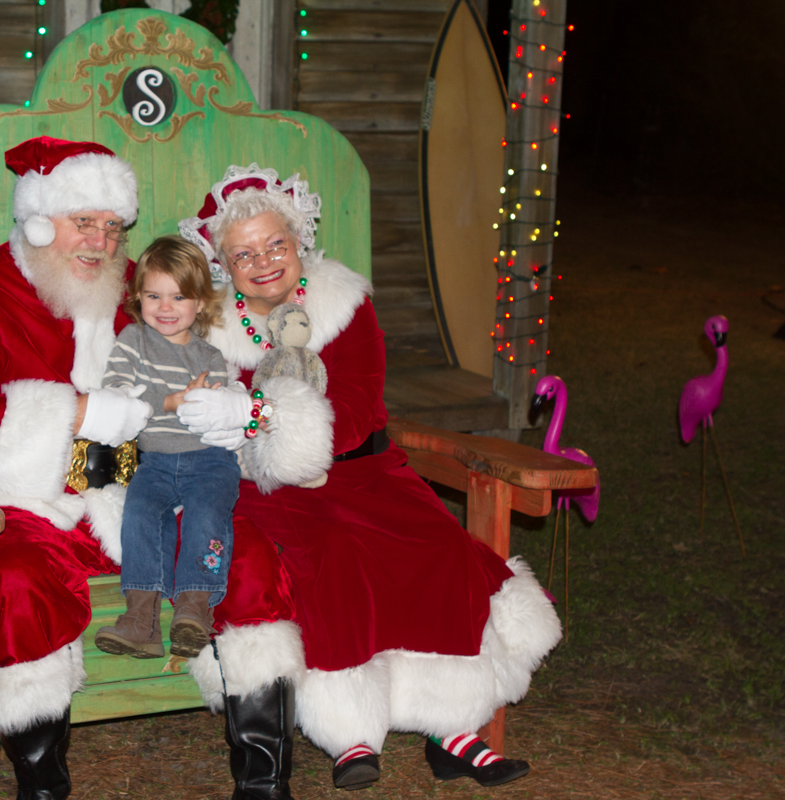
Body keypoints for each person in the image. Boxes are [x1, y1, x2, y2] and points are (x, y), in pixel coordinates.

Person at [0, 139, 303, 800]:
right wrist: (77, 411)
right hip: (28, 503)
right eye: (84, 222)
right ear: (40, 219)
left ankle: (264, 783)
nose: (100, 241)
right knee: (15, 588)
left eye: (113, 226)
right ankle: (42, 787)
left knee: (248, 558)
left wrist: (213, 406)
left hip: (138, 486)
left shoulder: (129, 295)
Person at [176, 164, 563, 791]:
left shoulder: (344, 304)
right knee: (331, 553)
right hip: (270, 485)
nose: (264, 262)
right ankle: (350, 729)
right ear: (223, 264)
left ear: (298, 240)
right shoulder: (211, 328)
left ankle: (452, 725)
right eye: (244, 254)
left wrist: (271, 415)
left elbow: (356, 406)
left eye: (275, 244)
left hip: (366, 468)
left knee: (441, 546)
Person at [94, 236, 242, 661]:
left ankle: (194, 609)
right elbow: (116, 390)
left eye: (179, 297)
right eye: (153, 295)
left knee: (206, 515)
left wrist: (205, 401)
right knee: (139, 515)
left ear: (200, 302)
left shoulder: (209, 356)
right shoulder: (133, 340)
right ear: (137, 297)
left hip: (209, 460)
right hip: (155, 461)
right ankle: (140, 621)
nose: (165, 307)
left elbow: (218, 411)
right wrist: (172, 400)